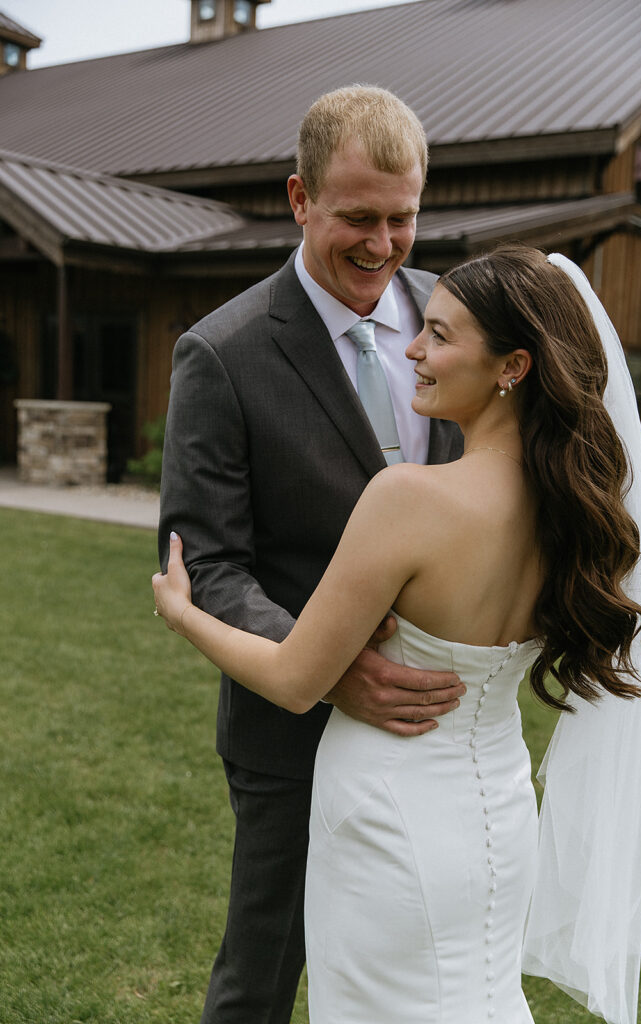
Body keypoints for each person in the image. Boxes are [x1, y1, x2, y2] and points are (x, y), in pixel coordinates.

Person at [154, 244, 641, 1024]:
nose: (412, 349)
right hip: (496, 807)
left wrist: (184, 613)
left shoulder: (410, 500)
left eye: (440, 336)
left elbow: (294, 679)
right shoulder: (572, 506)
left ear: (511, 367)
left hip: (385, 817)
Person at [158, 85, 465, 1024]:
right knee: (263, 977)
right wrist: (329, 668)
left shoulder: (459, 327)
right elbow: (206, 565)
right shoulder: (221, 353)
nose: (381, 245)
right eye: (356, 218)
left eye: (402, 218)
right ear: (299, 200)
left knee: (415, 968)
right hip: (288, 738)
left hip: (443, 729)